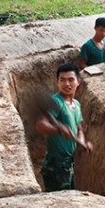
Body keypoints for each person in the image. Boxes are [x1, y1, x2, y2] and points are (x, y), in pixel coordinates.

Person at [36, 64, 93, 192]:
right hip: (55, 165)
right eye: (62, 80)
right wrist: (58, 130)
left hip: (69, 163)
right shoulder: (56, 102)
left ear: (78, 82)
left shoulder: (76, 104)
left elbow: (79, 129)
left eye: (71, 80)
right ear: (57, 82)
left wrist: (82, 142)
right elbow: (40, 125)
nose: (67, 84)